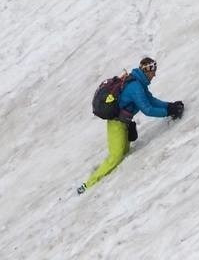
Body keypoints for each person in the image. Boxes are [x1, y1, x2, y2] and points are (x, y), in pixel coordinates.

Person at [77, 57, 184, 194]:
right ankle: (87, 186)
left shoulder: (138, 83)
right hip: (116, 125)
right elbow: (148, 109)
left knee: (125, 154)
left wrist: (169, 106)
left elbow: (151, 100)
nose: (154, 75)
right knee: (115, 157)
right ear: (147, 71)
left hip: (123, 123)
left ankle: (108, 182)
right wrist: (169, 111)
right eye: (153, 72)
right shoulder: (135, 87)